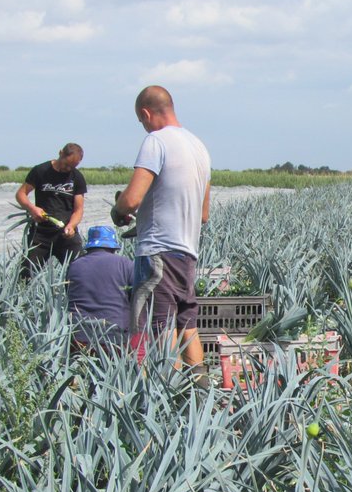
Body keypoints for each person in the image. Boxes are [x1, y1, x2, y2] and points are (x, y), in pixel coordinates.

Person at [110, 86, 212, 372]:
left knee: (159, 325)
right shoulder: (200, 148)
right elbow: (203, 215)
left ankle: (171, 398)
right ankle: (200, 391)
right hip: (186, 254)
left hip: (157, 252)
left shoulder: (156, 141)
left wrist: (119, 210)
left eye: (141, 121)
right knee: (186, 323)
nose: (143, 126)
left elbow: (131, 199)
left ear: (146, 113)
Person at [15, 143, 87, 278]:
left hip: (66, 234)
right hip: (40, 234)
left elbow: (78, 210)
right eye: (66, 164)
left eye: (72, 167)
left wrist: (72, 226)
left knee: (80, 273)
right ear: (60, 153)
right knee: (25, 277)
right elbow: (20, 195)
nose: (67, 169)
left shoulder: (77, 177)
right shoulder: (40, 171)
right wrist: (32, 208)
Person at [66, 225, 134, 355]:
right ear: (113, 246)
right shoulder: (125, 264)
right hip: (115, 337)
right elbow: (136, 298)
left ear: (89, 246)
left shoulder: (74, 265)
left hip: (79, 336)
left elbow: (69, 293)